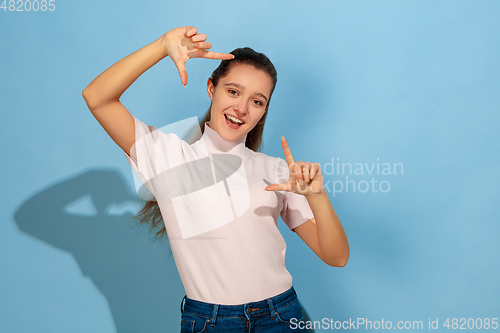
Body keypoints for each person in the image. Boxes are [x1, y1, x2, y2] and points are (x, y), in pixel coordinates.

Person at [83, 25, 349, 333]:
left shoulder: (276, 170)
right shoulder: (167, 157)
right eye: (233, 91)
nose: (241, 108)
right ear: (212, 88)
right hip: (211, 323)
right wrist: (162, 45)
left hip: (282, 316)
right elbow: (97, 97)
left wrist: (317, 196)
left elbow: (337, 256)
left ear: (263, 111)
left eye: (257, 101)